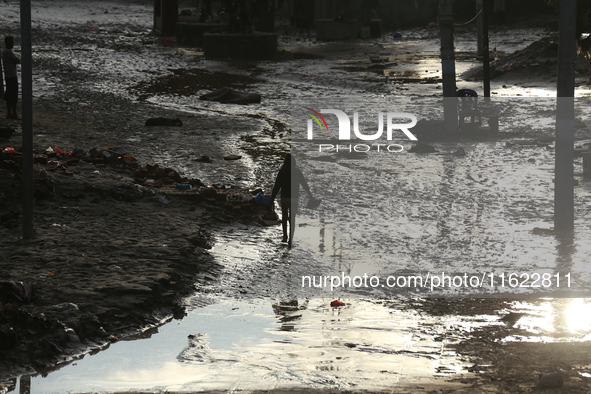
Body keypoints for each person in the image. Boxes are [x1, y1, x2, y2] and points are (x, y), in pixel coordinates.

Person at [269, 153, 314, 248]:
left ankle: (284, 236)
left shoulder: (282, 171)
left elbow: (277, 185)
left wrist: (272, 197)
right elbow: (305, 185)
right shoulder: (297, 171)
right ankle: (290, 240)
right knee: (292, 219)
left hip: (284, 198)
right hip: (294, 198)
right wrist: (311, 196)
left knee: (284, 217)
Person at [2, 36, 20, 120]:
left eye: (12, 43)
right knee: (13, 95)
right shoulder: (8, 52)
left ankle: (9, 113)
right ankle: (14, 113)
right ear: (6, 43)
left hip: (8, 75)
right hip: (12, 76)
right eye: (10, 43)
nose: (12, 44)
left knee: (9, 94)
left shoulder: (5, 52)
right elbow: (17, 60)